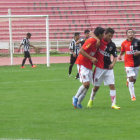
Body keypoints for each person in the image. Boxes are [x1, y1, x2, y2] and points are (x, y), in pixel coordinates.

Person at [87, 28, 120, 110]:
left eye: (112, 36)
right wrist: (97, 39)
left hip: (108, 69)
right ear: (104, 34)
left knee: (112, 85)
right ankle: (91, 99)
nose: (110, 37)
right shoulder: (100, 41)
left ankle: (113, 104)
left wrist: (113, 63)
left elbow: (115, 56)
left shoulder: (112, 45)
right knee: (96, 87)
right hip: (99, 68)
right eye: (109, 35)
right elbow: (91, 33)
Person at [72, 27, 105, 109]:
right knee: (86, 84)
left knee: (87, 86)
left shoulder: (98, 41)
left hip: (89, 65)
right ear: (100, 34)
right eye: (103, 34)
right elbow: (81, 51)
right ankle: (75, 97)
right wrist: (92, 58)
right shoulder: (91, 41)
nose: (104, 36)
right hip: (82, 63)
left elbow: (91, 33)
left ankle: (78, 103)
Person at [118, 29, 140, 101]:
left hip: (137, 63)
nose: (130, 33)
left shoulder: (138, 42)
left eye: (132, 32)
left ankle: (128, 80)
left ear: (134, 34)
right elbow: (122, 51)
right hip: (128, 63)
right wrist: (120, 56)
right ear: (126, 34)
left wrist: (139, 52)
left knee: (133, 80)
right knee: (131, 79)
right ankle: (133, 96)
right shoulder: (124, 43)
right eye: (129, 32)